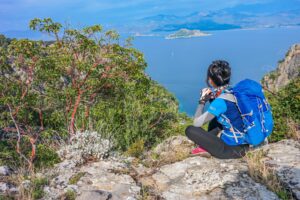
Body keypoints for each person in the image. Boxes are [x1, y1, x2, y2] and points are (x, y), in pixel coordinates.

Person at [185, 60, 249, 159]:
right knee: (216, 119)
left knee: (190, 130)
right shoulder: (234, 91)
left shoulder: (220, 101)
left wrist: (202, 101)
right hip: (246, 143)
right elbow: (226, 111)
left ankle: (208, 148)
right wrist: (211, 100)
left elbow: (197, 123)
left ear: (211, 80)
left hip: (232, 150)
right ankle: (208, 145)